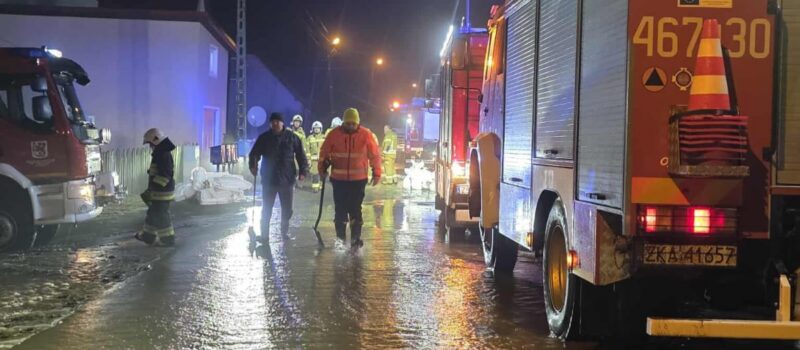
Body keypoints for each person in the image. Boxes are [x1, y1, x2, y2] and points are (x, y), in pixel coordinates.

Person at [318, 108, 382, 247]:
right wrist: (322, 168)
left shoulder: (366, 135)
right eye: (348, 123)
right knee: (340, 210)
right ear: (344, 122)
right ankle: (340, 239)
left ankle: (355, 239)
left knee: (355, 209)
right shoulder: (334, 134)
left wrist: (377, 173)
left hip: (358, 181)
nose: (351, 126)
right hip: (339, 180)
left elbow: (375, 155)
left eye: (353, 123)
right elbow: (324, 153)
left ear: (358, 123)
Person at [249, 112, 309, 239]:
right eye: (272, 122)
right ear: (270, 123)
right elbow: (254, 153)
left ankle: (284, 231)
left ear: (283, 123)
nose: (275, 124)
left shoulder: (292, 138)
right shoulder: (264, 138)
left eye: (277, 121)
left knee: (287, 210)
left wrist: (303, 171)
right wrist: (253, 165)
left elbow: (301, 156)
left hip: (286, 180)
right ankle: (264, 234)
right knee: (266, 209)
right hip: (269, 180)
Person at [135, 128, 176, 246]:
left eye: (150, 143)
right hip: (159, 192)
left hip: (162, 193)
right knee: (153, 214)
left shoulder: (163, 154)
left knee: (161, 216)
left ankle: (168, 240)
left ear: (156, 140)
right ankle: (148, 237)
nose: (150, 146)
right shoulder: (160, 152)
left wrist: (154, 187)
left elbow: (166, 174)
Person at [306, 121, 326, 192]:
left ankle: (320, 185)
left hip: (322, 159)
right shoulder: (309, 138)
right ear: (313, 129)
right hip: (313, 160)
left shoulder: (324, 137)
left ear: (321, 129)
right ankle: (315, 187)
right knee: (315, 173)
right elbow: (307, 150)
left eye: (318, 128)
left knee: (321, 173)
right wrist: (308, 159)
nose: (316, 129)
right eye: (315, 128)